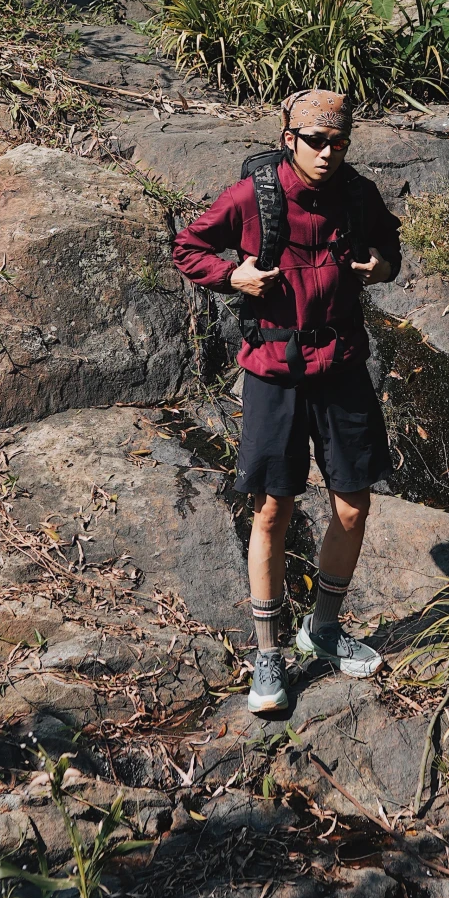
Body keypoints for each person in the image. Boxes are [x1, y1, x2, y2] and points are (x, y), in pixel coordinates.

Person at [172, 89, 401, 713]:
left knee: (353, 506)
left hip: (343, 367)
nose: (328, 153)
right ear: (289, 139)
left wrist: (379, 267)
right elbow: (188, 246)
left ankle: (322, 630)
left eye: (339, 142)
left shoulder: (357, 195)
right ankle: (268, 652)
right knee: (273, 508)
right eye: (316, 142)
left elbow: (390, 252)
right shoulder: (255, 196)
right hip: (274, 369)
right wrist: (231, 276)